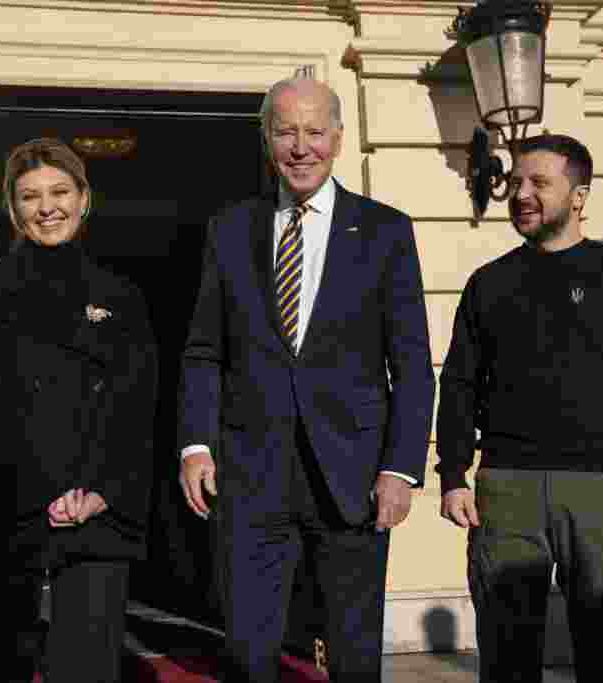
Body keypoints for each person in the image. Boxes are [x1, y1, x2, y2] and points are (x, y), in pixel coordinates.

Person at [177, 77, 435, 682]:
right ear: (266, 140)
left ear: (338, 139)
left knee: (352, 655)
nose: (301, 147)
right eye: (285, 131)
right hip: (250, 476)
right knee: (248, 652)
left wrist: (400, 469)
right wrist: (196, 446)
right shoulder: (230, 228)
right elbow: (203, 352)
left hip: (354, 478)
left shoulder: (385, 232)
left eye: (314, 132)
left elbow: (413, 365)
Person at [436, 134, 603, 682]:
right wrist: (453, 474)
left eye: (539, 183)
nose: (521, 193)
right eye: (516, 182)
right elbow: (458, 385)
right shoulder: (488, 284)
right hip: (506, 491)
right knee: (505, 659)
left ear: (578, 196)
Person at [0, 138, 158, 682]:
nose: (47, 206)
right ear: (13, 208)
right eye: (30, 196)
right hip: (1, 512)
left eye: (60, 191)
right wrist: (40, 493)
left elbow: (137, 404)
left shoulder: (120, 295)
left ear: (84, 198)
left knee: (85, 669)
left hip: (95, 511)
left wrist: (100, 491)